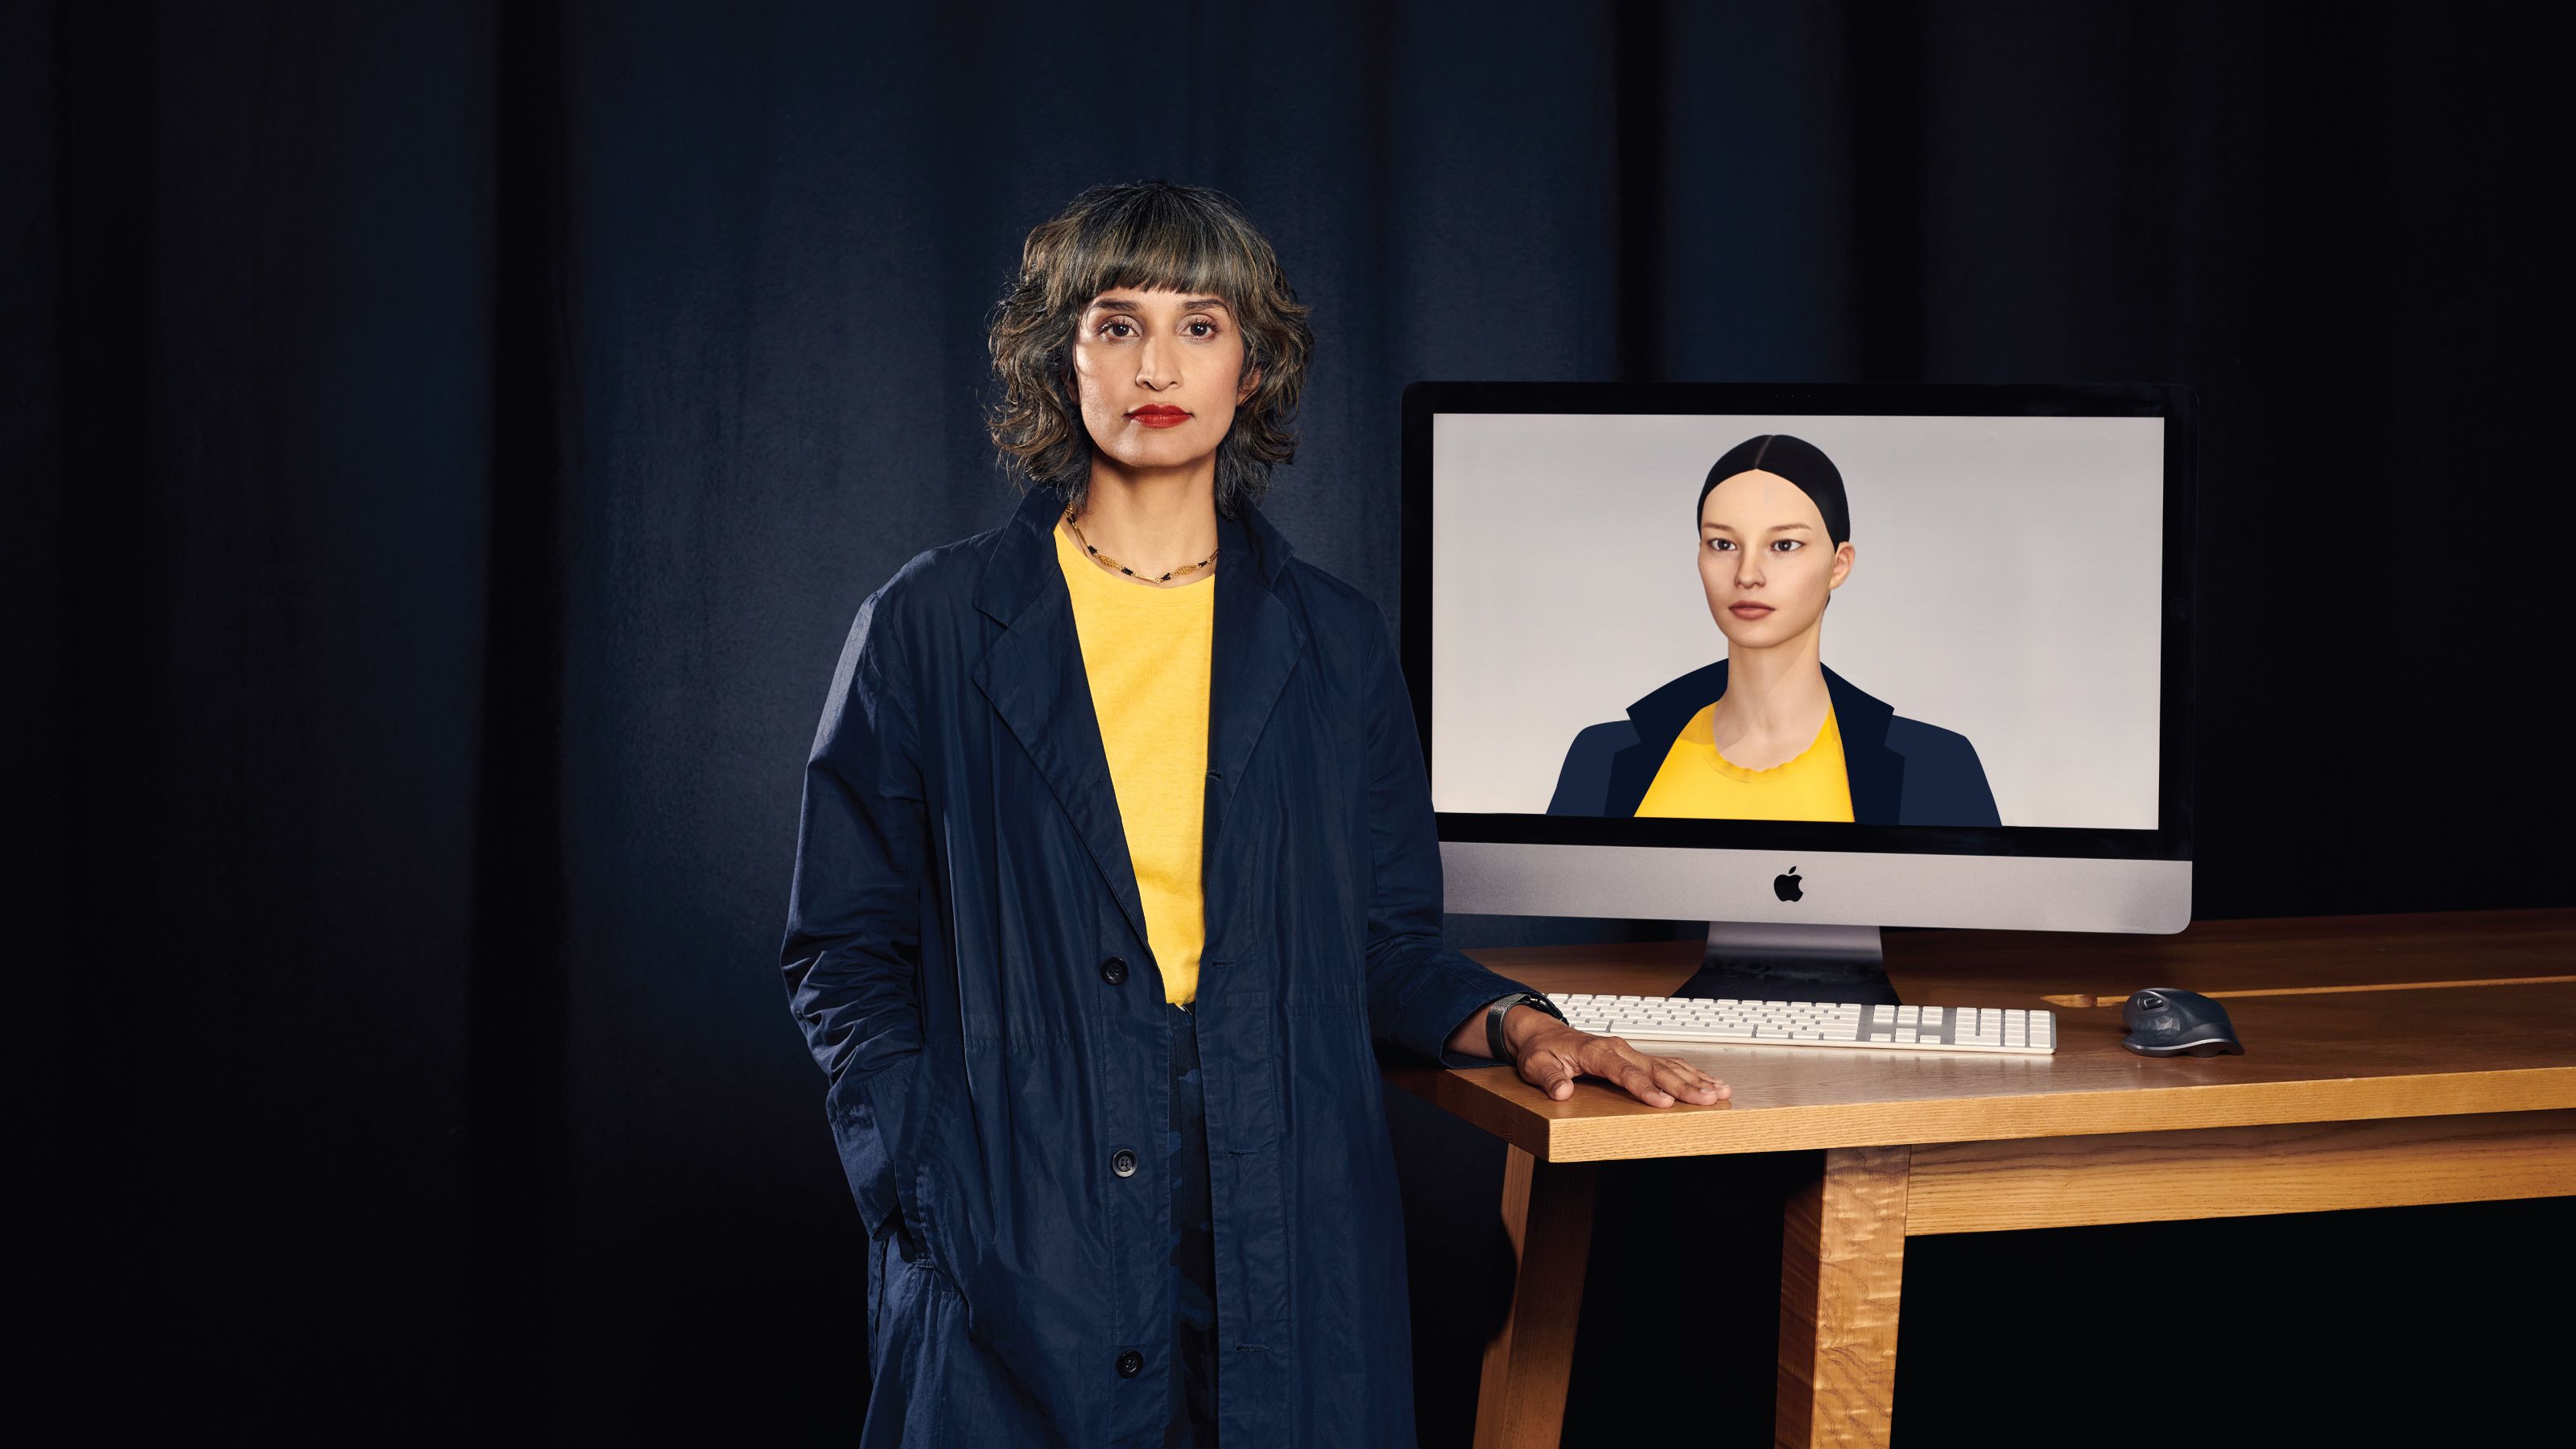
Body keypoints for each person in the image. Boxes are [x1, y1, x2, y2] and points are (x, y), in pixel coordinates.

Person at [781, 180, 1729, 1449]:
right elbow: (843, 950)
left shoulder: (1333, 642)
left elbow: (1387, 942)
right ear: (1061, 361)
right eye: (1116, 324)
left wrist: (1517, 1023)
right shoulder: (928, 626)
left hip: (1282, 1197)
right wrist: (930, 1186)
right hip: (1019, 1203)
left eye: (1200, 324)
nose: (1156, 364)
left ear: (1254, 367)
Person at [1546, 433, 2001, 826]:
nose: (1747, 574)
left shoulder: (1938, 768)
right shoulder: (1601, 760)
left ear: (1838, 565)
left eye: (1784, 545)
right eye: (1723, 544)